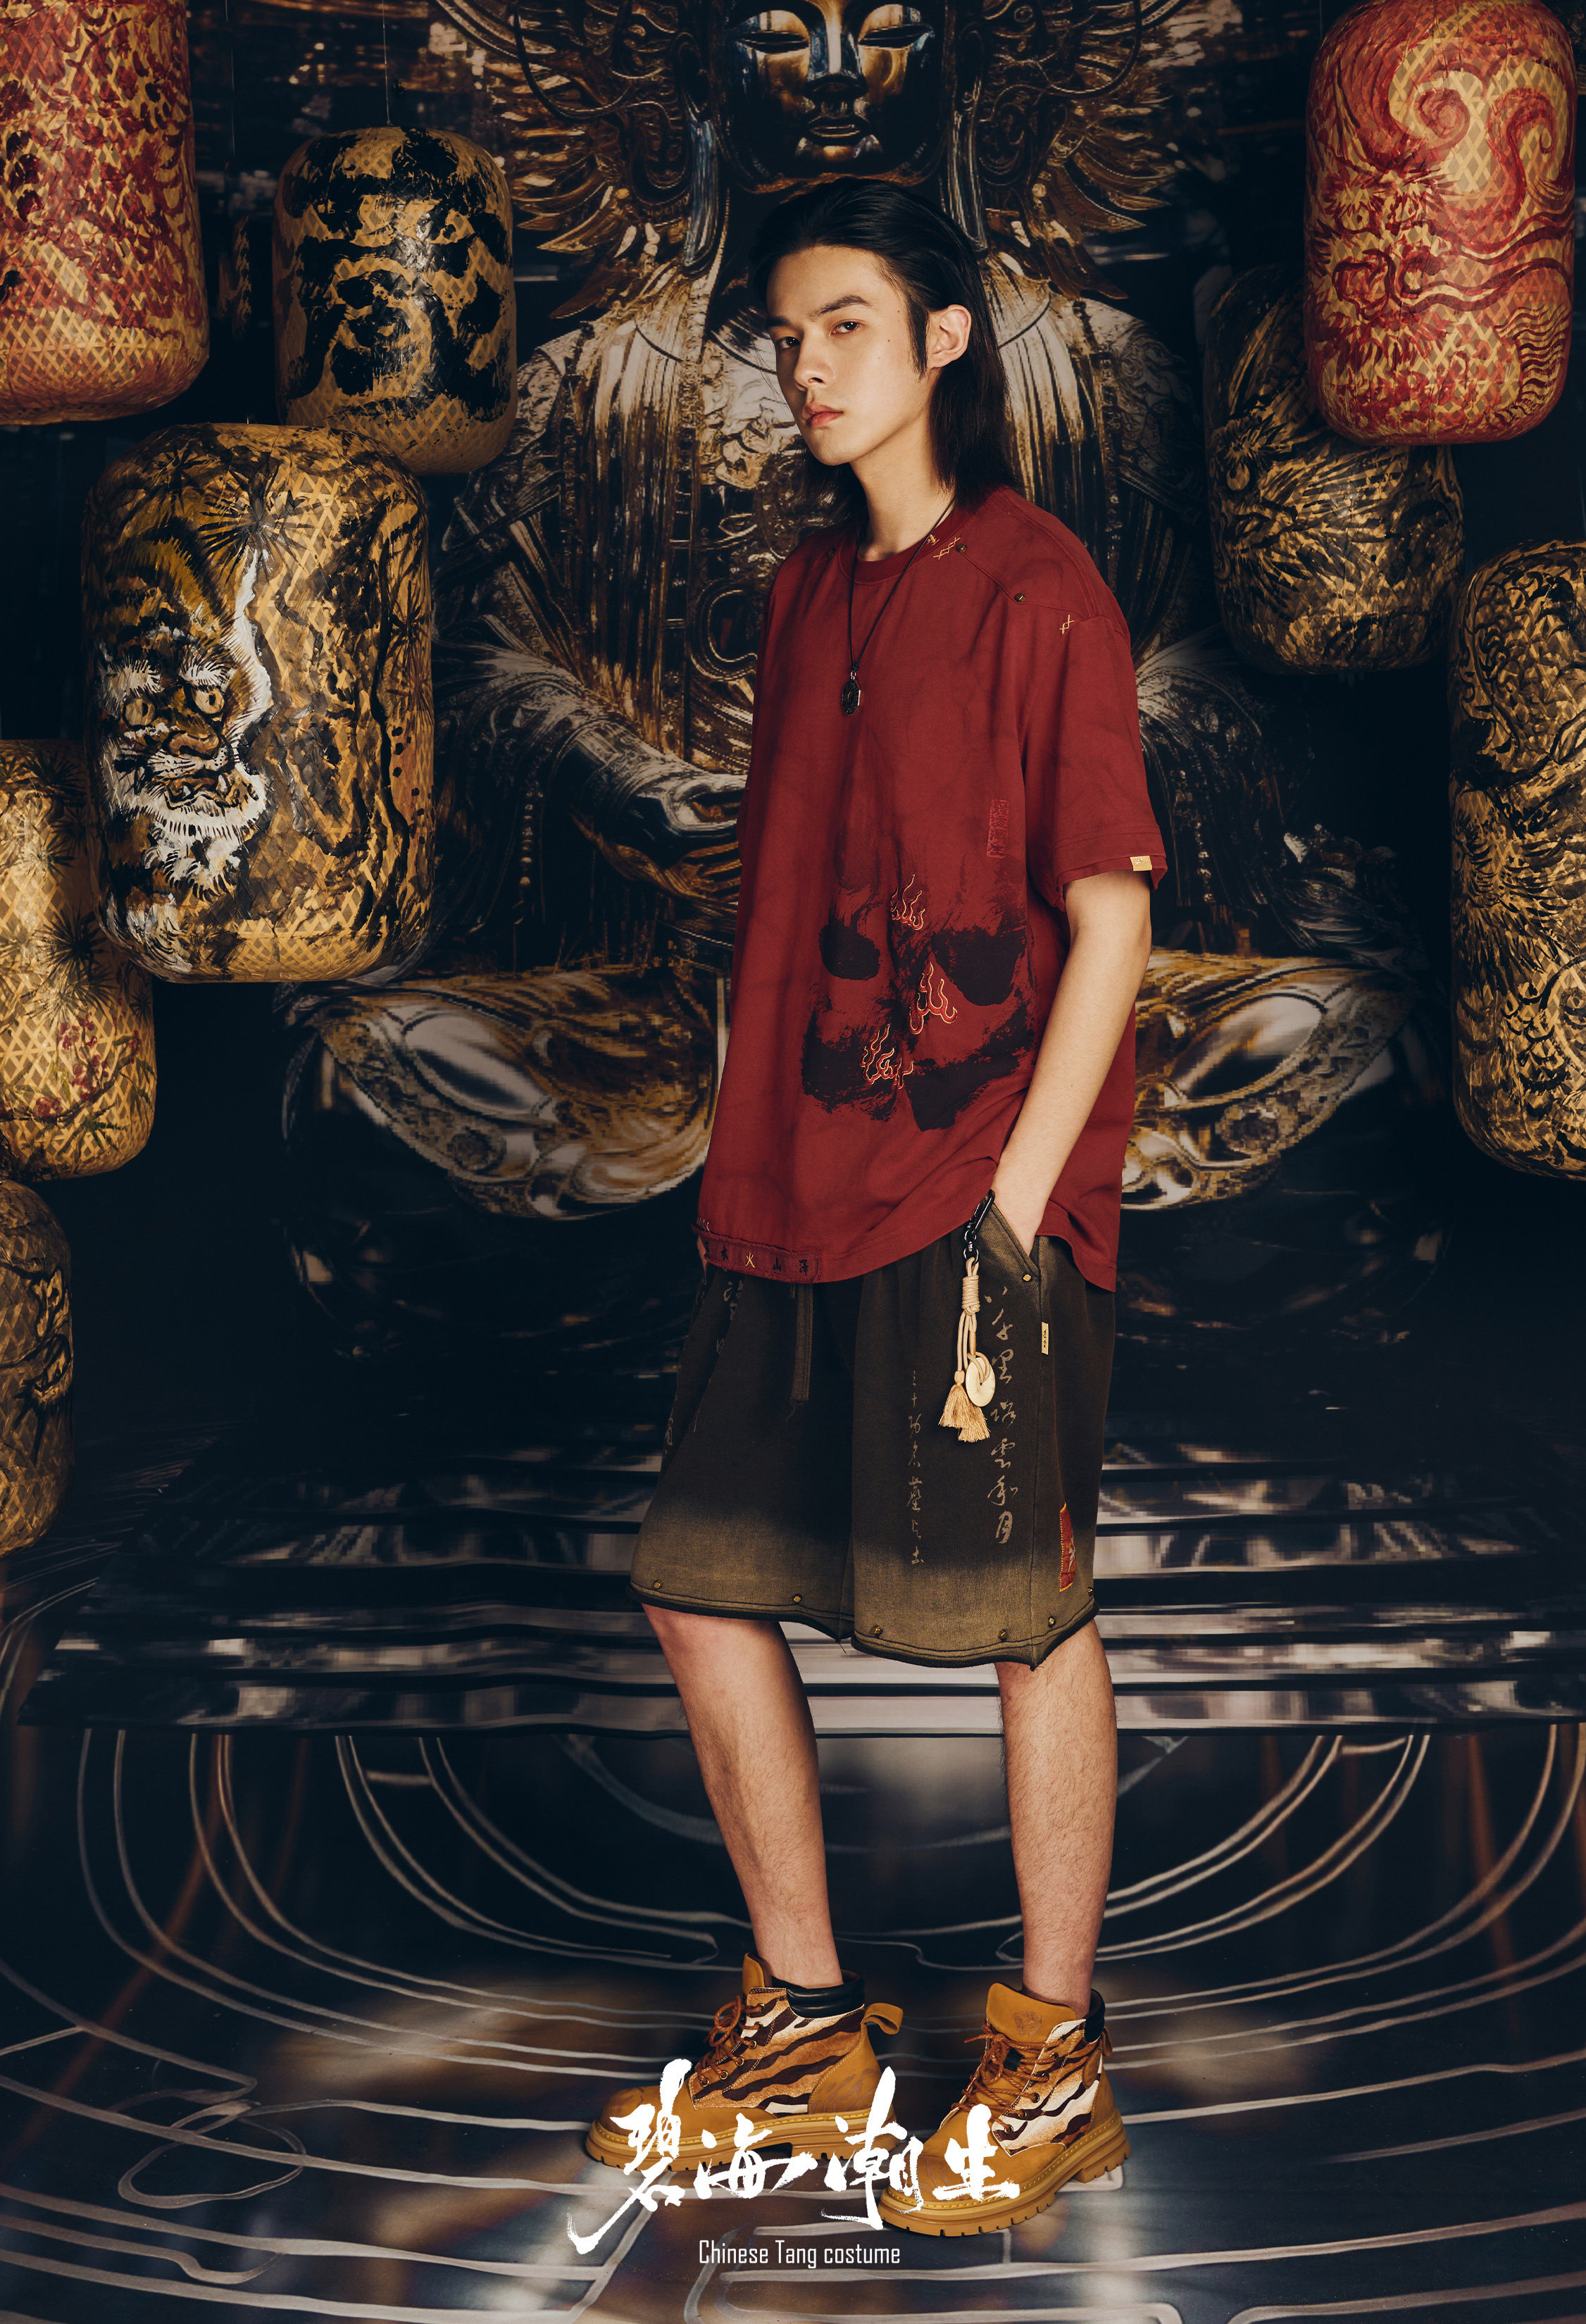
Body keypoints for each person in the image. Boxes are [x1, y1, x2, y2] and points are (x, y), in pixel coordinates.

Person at [583, 179, 1165, 2236]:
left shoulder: (1043, 587)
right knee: (697, 1583)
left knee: (1028, 1613)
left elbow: (1109, 920)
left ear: (942, 340)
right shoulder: (808, 592)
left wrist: (1014, 1206)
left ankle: (1052, 2059)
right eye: (786, 333)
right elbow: (786, 893)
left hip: (974, 1180)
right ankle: (815, 2034)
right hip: (785, 1183)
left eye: (846, 324)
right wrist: (733, 1135)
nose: (807, 365)